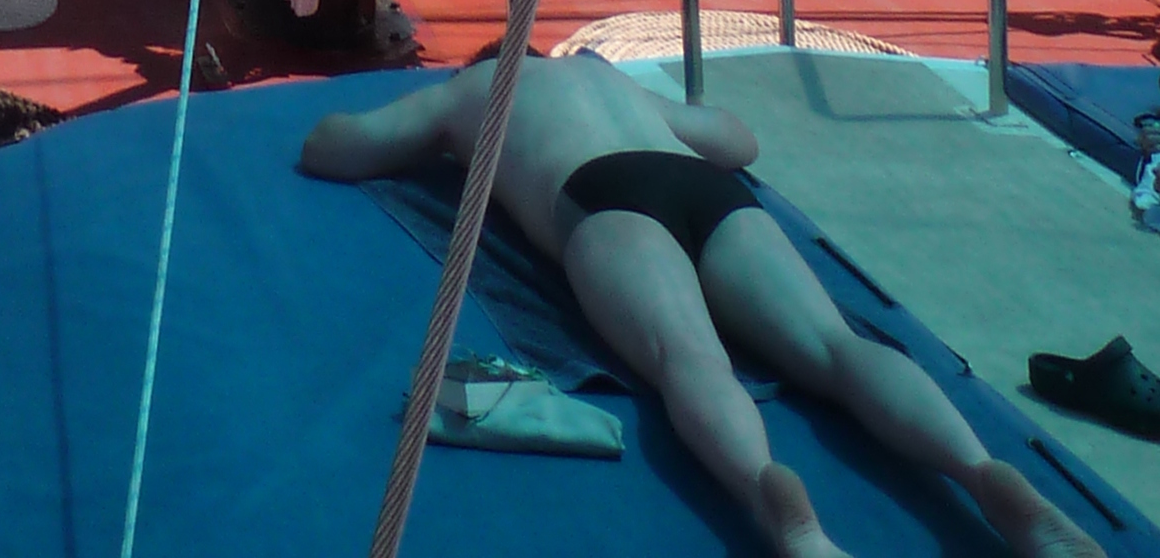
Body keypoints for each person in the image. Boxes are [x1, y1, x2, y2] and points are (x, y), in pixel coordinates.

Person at [299, 50, 1091, 558]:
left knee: (690, 358)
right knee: (832, 345)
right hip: (700, 184)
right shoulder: (604, 76)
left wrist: (439, 124)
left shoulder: (476, 89)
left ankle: (777, 505)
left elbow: (334, 148)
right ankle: (981, 472)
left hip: (602, 196)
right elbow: (738, 143)